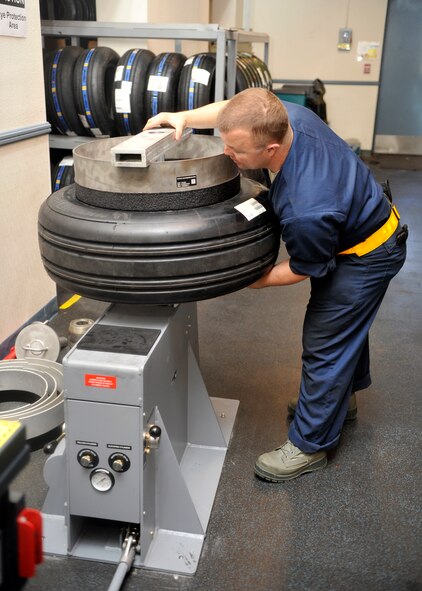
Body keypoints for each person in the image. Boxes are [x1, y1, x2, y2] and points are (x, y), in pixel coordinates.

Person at [144, 88, 407, 482]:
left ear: (269, 149)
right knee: (346, 326)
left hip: (367, 256)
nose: (228, 153)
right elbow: (232, 114)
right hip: (360, 222)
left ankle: (310, 444)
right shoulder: (284, 116)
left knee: (326, 340)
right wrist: (184, 116)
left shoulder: (308, 207)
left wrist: (251, 278)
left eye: (237, 151)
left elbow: (304, 267)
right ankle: (339, 401)